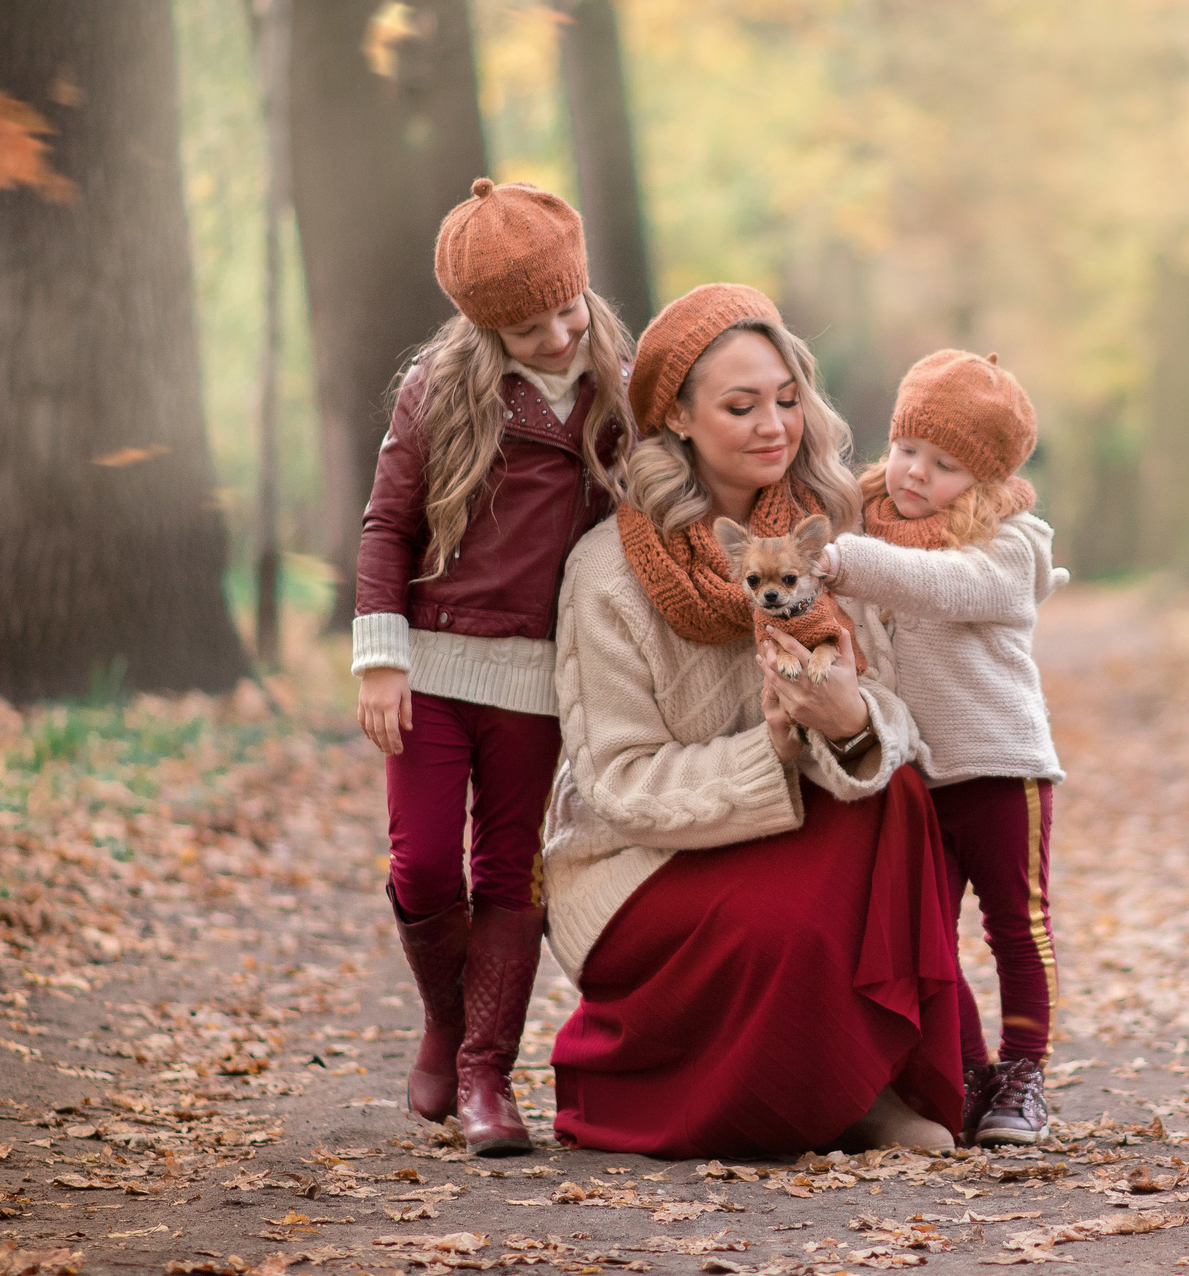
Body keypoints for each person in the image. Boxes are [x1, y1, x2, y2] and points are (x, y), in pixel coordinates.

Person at [542, 283, 967, 1158]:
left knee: (899, 798)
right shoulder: (608, 572)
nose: (776, 424)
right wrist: (770, 746)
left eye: (786, 399)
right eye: (742, 405)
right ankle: (808, 1097)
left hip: (793, 833)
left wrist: (848, 719)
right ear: (681, 420)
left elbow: (892, 714)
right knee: (799, 907)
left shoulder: (835, 540)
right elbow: (616, 785)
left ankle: (870, 1085)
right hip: (642, 869)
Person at [350, 179, 635, 1156]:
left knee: (507, 873)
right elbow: (387, 523)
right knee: (423, 863)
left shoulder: (620, 392)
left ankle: (484, 1073)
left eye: (567, 306)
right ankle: (443, 1016)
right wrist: (379, 659)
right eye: (524, 327)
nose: (557, 335)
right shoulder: (439, 387)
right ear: (481, 325)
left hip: (535, 679)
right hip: (430, 666)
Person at [819, 350, 1067, 1144]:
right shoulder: (865, 519)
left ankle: (1023, 1072)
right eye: (905, 449)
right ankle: (968, 1073)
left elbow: (941, 586)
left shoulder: (1009, 545)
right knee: (931, 935)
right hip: (920, 774)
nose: (915, 474)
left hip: (1001, 767)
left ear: (985, 479)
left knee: (1016, 926)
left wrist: (837, 560)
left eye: (945, 463)